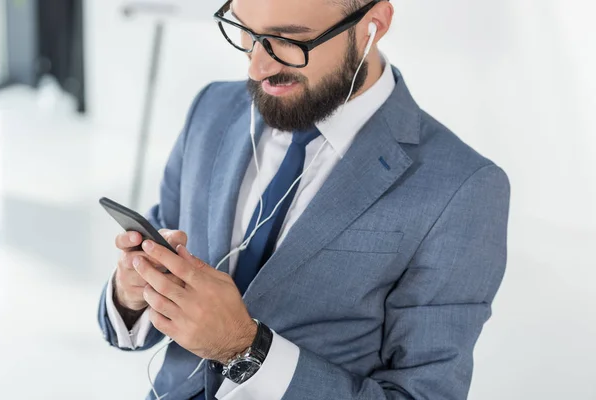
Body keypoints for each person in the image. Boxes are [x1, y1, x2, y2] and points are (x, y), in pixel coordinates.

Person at [97, 0, 511, 399]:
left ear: (375, 24)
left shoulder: (462, 187)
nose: (257, 67)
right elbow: (145, 295)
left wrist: (244, 349)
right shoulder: (212, 109)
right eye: (246, 31)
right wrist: (133, 292)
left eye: (290, 41)